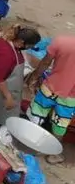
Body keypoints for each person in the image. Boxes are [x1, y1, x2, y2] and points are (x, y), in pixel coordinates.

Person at [26, 34, 75, 163]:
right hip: (70, 96)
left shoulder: (61, 41)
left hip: (50, 87)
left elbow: (46, 62)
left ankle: (29, 144)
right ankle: (53, 154)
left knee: (37, 113)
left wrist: (34, 77)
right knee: (60, 122)